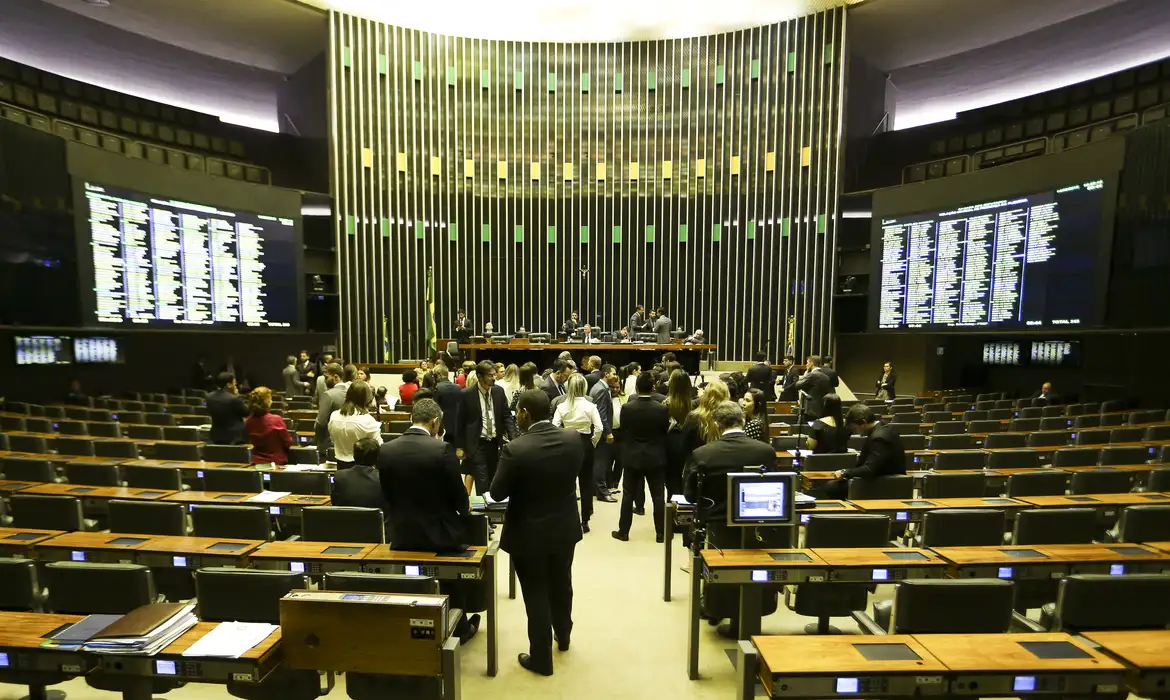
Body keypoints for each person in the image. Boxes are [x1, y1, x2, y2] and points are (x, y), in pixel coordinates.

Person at [489, 390, 583, 676]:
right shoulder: (573, 439)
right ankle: (563, 635)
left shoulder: (516, 449)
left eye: (518, 411)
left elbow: (496, 492)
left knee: (536, 593)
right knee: (561, 583)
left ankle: (541, 659)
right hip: (565, 526)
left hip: (528, 533)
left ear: (526, 413)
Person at [378, 399, 480, 644]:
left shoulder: (387, 449)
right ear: (435, 422)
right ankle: (460, 626)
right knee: (462, 559)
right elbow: (459, 500)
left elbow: (386, 496)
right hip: (439, 536)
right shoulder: (442, 449)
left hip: (401, 533)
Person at [683, 401, 782, 638]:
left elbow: (689, 495)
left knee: (723, 572)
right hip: (759, 525)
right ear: (743, 421)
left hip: (718, 527)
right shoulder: (764, 451)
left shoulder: (704, 453)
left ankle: (718, 609)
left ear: (716, 424)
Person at [612, 372, 670, 543]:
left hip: (632, 456)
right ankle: (661, 533)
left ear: (636, 387)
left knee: (628, 495)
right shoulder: (661, 408)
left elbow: (623, 430)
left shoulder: (627, 408)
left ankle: (624, 531)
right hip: (655, 456)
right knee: (658, 496)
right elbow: (664, 430)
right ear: (653, 387)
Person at [456, 361, 516, 496]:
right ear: (480, 376)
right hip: (477, 444)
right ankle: (483, 514)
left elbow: (506, 416)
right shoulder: (467, 394)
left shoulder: (498, 391)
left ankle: (494, 513)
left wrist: (514, 439)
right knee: (482, 479)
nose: (494, 378)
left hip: (495, 443)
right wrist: (459, 446)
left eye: (495, 375)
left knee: (494, 479)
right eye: (490, 375)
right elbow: (460, 421)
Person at [552, 374, 603, 532]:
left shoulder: (562, 406)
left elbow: (554, 426)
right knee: (586, 483)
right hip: (585, 443)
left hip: (567, 443)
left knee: (567, 483)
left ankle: (568, 517)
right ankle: (585, 520)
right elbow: (600, 427)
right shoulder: (590, 406)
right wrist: (592, 442)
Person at [826, 404, 907, 499]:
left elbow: (869, 469)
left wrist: (845, 473)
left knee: (832, 487)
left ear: (863, 422)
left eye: (855, 428)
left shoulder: (878, 438)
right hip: (888, 478)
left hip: (886, 484)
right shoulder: (884, 428)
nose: (856, 432)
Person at [332, 437, 393, 542]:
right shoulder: (385, 478)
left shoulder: (339, 476)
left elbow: (335, 503)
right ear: (378, 458)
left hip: (345, 535)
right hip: (379, 536)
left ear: (354, 456)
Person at [328, 381, 383, 469]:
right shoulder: (367, 420)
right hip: (362, 469)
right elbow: (379, 447)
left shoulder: (333, 415)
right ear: (367, 398)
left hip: (340, 466)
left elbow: (332, 440)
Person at [589, 364, 619, 503]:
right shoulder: (601, 389)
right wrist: (608, 432)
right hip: (601, 431)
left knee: (599, 462)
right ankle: (601, 492)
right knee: (601, 462)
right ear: (606, 374)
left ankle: (598, 489)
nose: (615, 376)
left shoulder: (600, 387)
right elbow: (601, 414)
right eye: (613, 373)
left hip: (598, 430)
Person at [244, 386, 292, 465]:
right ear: (267, 402)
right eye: (270, 399)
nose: (271, 401)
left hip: (256, 461)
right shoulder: (276, 419)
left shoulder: (248, 421)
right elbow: (288, 442)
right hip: (276, 462)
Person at [207, 372, 250, 445]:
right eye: (234, 383)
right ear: (228, 384)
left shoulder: (209, 397)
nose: (235, 385)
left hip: (215, 436)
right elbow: (247, 412)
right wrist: (237, 395)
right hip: (235, 437)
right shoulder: (234, 398)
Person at [314, 363, 346, 448]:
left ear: (336, 377)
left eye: (326, 377)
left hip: (330, 441)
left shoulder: (328, 395)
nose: (324, 380)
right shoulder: (352, 391)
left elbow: (320, 422)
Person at [794, 355, 832, 419]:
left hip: (809, 410)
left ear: (811, 363)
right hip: (821, 409)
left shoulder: (811, 375)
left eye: (807, 363)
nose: (806, 365)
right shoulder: (826, 377)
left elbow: (797, 385)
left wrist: (804, 375)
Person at [433, 365, 461, 443]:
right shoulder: (458, 387)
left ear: (439, 375)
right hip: (457, 426)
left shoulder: (437, 388)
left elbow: (435, 409)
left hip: (442, 427)